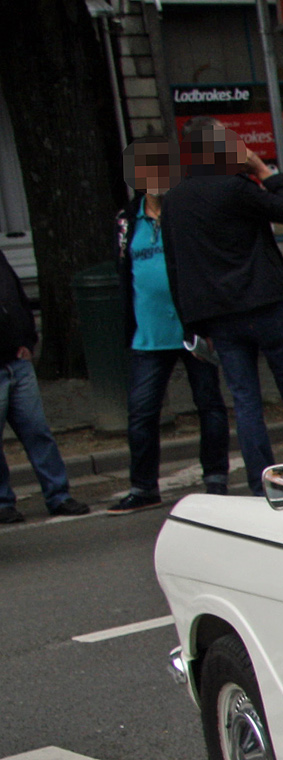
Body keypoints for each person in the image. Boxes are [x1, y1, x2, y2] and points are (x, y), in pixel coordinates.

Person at [163, 117, 283, 497]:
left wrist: (192, 325)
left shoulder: (175, 198)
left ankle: (261, 482)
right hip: (264, 302)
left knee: (245, 401)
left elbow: (175, 266)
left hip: (220, 314)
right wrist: (262, 169)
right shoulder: (235, 186)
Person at [108, 137, 231, 513]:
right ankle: (143, 486)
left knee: (209, 404)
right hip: (148, 334)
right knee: (142, 412)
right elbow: (125, 271)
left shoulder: (186, 212)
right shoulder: (127, 221)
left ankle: (216, 478)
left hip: (191, 328)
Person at [0, 252, 88, 524]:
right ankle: (3, 502)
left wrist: (27, 338)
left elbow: (16, 296)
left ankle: (58, 495)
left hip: (17, 361)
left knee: (37, 431)